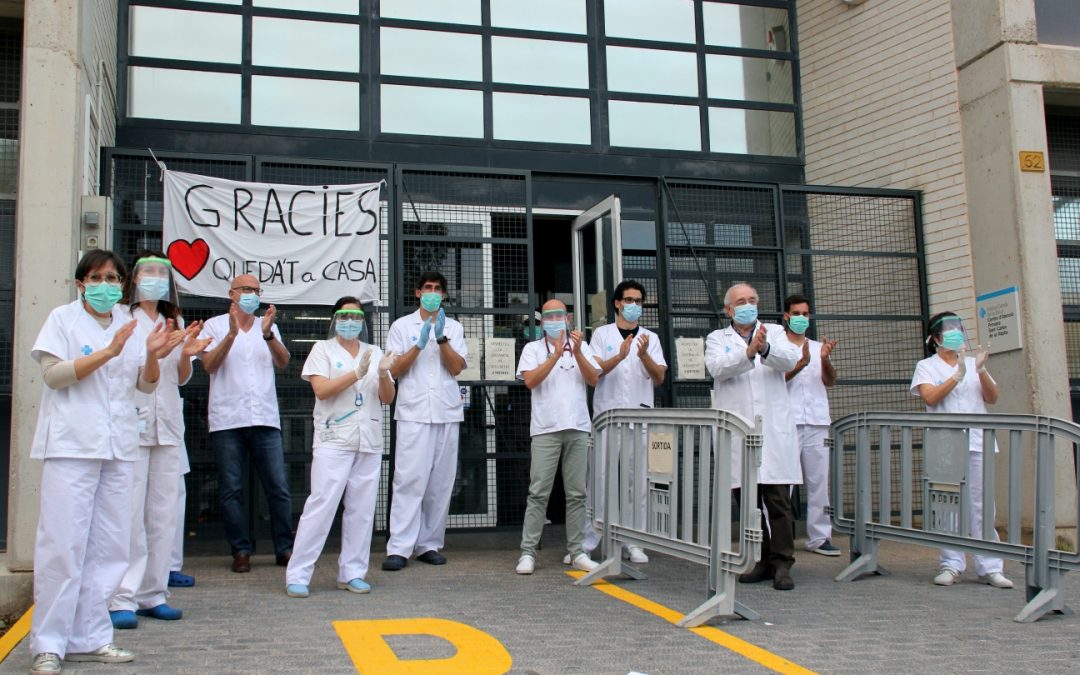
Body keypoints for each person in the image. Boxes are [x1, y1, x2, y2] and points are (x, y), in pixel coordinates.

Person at [27, 249, 169, 675]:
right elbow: (53, 375)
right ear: (81, 282)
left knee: (109, 549)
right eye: (98, 277)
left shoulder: (129, 325)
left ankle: (91, 636)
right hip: (72, 445)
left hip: (119, 445)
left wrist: (153, 356)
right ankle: (49, 643)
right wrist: (108, 352)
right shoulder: (63, 319)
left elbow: (144, 388)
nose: (106, 285)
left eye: (113, 278)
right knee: (63, 546)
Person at [108, 253, 210, 629]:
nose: (155, 278)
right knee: (128, 512)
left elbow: (181, 377)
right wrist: (157, 352)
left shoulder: (175, 321)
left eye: (162, 273)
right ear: (133, 280)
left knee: (163, 513)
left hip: (167, 423)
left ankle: (153, 593)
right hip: (130, 423)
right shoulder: (121, 319)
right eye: (148, 271)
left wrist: (187, 352)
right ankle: (121, 596)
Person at [285, 298, 396, 597]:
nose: (351, 321)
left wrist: (383, 373)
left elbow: (387, 398)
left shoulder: (375, 353)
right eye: (345, 315)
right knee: (321, 506)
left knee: (361, 510)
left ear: (364, 321)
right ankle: (298, 574)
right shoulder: (322, 349)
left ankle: (352, 573)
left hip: (368, 439)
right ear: (335, 319)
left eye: (356, 316)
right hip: (334, 439)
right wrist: (356, 375)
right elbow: (322, 391)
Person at [705, 283, 802, 591]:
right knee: (748, 502)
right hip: (738, 432)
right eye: (741, 302)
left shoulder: (774, 333)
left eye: (753, 300)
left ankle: (783, 562)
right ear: (729, 310)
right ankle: (759, 559)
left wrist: (765, 349)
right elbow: (717, 368)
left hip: (772, 431)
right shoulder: (717, 339)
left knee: (778, 501)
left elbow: (791, 359)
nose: (748, 305)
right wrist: (747, 353)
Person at [910, 311, 1013, 589]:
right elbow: (930, 396)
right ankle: (951, 564)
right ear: (934, 338)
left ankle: (990, 567)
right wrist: (957, 377)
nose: (955, 334)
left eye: (958, 328)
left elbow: (992, 397)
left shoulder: (971, 362)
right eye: (947, 330)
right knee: (948, 506)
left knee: (982, 507)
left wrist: (979, 370)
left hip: (978, 442)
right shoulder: (926, 365)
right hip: (946, 445)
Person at [198, 274, 293, 573]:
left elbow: (284, 361)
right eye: (245, 290)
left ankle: (285, 549)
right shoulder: (214, 325)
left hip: (264, 417)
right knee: (231, 490)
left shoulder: (269, 325)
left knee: (278, 487)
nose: (251, 294)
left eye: (255, 290)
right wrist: (229, 335)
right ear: (232, 294)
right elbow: (209, 366)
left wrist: (268, 335)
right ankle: (240, 550)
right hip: (228, 419)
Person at [382, 272, 467, 571]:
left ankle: (429, 544)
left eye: (437, 289)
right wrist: (418, 344)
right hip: (413, 412)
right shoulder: (401, 326)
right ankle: (399, 548)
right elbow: (395, 370)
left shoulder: (454, 327)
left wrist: (441, 338)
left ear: (444, 295)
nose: (432, 293)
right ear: (417, 293)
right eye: (427, 288)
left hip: (445, 412)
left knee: (440, 483)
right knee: (408, 480)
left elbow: (456, 368)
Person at [515, 300, 603, 575]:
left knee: (577, 493)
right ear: (542, 321)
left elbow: (593, 380)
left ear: (568, 318)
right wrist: (554, 355)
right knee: (538, 492)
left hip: (577, 426)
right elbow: (530, 381)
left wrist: (575, 351)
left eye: (559, 315)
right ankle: (527, 552)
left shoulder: (582, 347)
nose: (554, 320)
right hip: (545, 429)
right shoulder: (532, 349)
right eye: (549, 316)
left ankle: (577, 551)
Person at [583, 280, 667, 564]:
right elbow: (595, 373)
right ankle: (589, 541)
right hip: (608, 416)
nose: (634, 305)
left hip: (640, 417)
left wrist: (642, 355)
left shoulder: (650, 338)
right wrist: (619, 356)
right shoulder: (601, 335)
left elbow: (659, 377)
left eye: (639, 301)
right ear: (617, 303)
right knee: (600, 479)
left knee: (637, 480)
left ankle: (635, 541)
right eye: (628, 300)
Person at [782, 294, 840, 557]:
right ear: (786, 316)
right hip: (788, 421)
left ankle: (819, 537)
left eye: (805, 314)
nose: (801, 319)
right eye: (796, 313)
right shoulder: (778, 346)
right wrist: (800, 364)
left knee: (819, 481)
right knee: (785, 482)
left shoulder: (818, 347)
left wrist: (824, 359)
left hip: (817, 421)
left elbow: (829, 380)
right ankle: (780, 538)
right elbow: (776, 380)